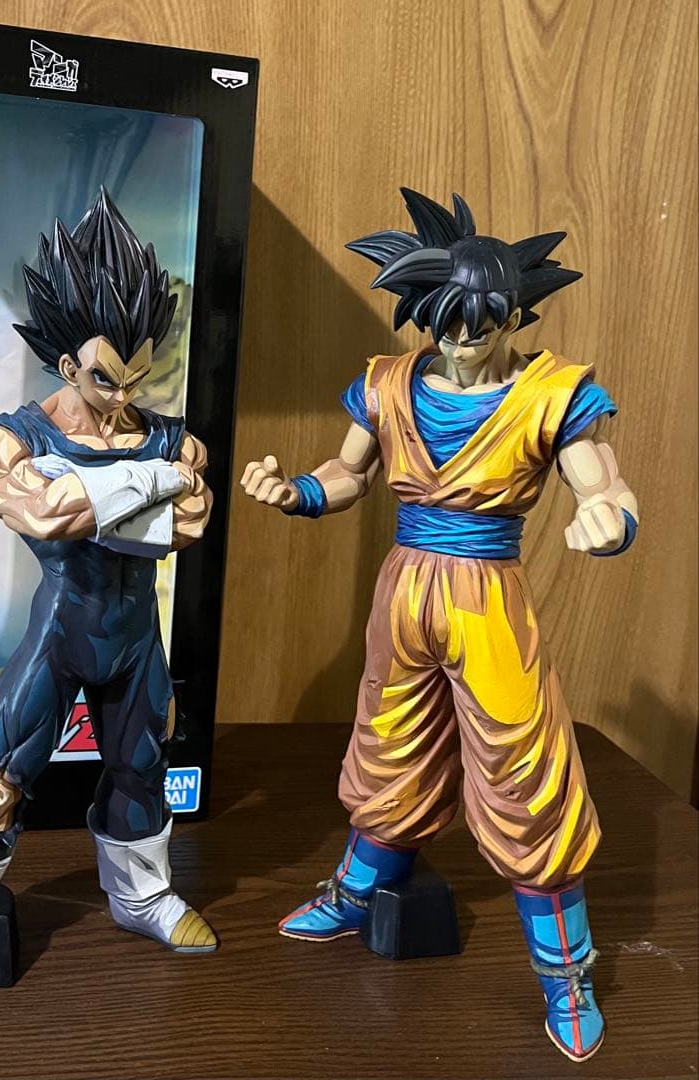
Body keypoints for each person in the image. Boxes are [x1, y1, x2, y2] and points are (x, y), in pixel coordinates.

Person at [241, 188, 638, 1062]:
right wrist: (296, 493)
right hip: (403, 591)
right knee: (388, 743)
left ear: (512, 316)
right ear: (423, 316)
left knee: (525, 771)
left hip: (486, 598)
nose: (461, 343)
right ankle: (356, 894)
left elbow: (603, 485)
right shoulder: (387, 382)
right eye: (446, 325)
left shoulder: (551, 393)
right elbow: (347, 474)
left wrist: (608, 518)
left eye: (480, 326)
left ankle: (564, 975)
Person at [0, 189, 216, 1025]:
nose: (125, 393)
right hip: (61, 629)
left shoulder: (172, 437)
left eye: (141, 371)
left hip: (134, 636)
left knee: (142, 766)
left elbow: (185, 523)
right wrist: (146, 483)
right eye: (107, 376)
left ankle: (141, 898)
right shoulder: (11, 438)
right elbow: (42, 513)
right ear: (66, 364)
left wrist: (107, 492)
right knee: (0, 777)